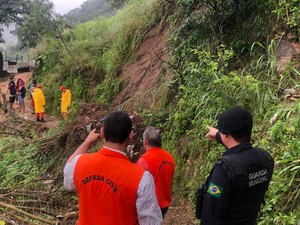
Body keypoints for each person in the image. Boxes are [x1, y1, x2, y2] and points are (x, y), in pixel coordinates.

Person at [63, 110, 163, 225]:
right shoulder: (141, 178)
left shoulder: (79, 163)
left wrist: (87, 142)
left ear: (102, 133)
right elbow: (152, 222)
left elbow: (67, 177)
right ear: (130, 136)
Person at [196, 107, 274, 225]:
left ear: (226, 134)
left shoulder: (224, 170)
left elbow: (212, 212)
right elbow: (240, 149)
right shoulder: (265, 158)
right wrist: (219, 134)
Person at [136, 126, 175, 218]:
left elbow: (137, 187)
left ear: (145, 142)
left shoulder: (144, 160)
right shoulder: (170, 158)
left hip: (149, 205)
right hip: (164, 204)